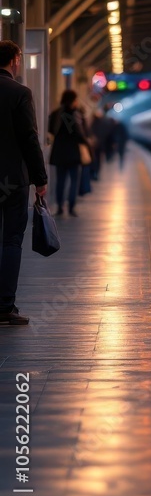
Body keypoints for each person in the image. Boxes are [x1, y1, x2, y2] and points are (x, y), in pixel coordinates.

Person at [0, 40, 48, 326]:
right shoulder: (19, 93)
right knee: (11, 240)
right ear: (15, 60)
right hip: (11, 179)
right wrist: (40, 178)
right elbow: (29, 138)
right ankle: (5, 305)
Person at [48, 89, 88, 216]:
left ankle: (60, 206)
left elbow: (51, 129)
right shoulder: (76, 114)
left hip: (59, 153)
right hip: (73, 153)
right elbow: (79, 134)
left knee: (60, 181)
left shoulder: (56, 113)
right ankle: (71, 207)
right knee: (74, 181)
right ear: (73, 100)